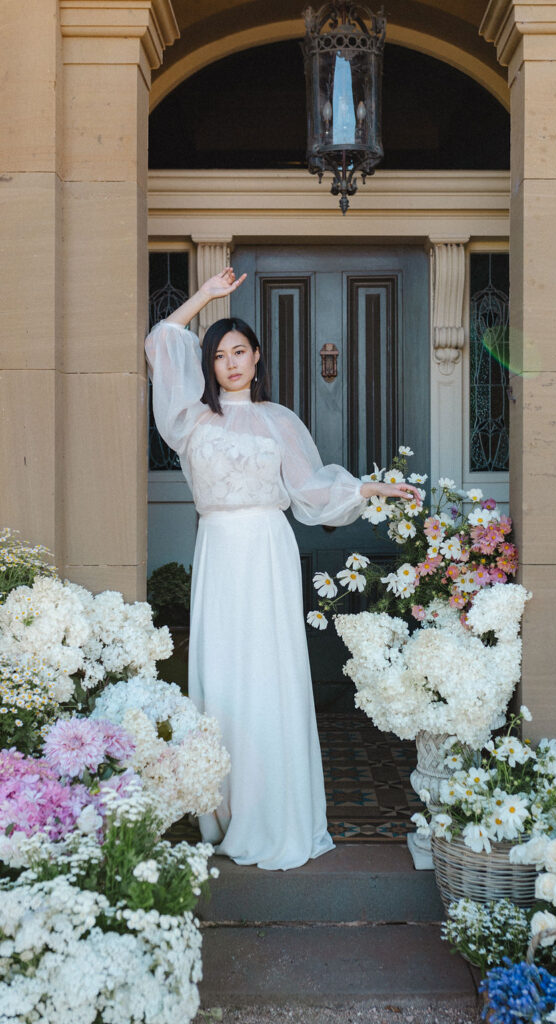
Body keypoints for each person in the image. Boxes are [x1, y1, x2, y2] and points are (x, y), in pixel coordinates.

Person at [145, 267, 421, 871]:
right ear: (208, 367)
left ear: (257, 356)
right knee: (222, 680)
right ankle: (225, 810)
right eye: (219, 356)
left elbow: (314, 491)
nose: (231, 364)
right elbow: (165, 338)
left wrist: (375, 488)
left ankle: (277, 813)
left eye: (239, 352)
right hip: (219, 549)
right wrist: (205, 298)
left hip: (268, 550)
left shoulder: (280, 421)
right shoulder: (190, 421)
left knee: (270, 677)